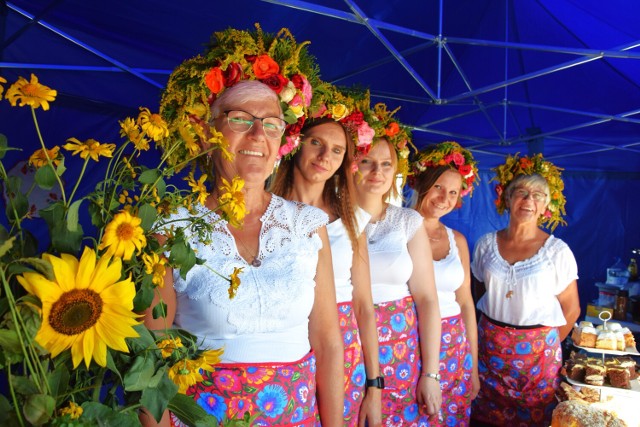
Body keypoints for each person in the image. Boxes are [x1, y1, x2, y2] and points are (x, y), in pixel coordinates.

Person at [142, 27, 343, 427]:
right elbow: (151, 359)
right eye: (240, 119)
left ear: (282, 141)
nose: (257, 134)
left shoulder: (306, 226)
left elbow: (328, 342)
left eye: (271, 124)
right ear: (206, 131)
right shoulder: (171, 227)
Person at [271, 109, 382, 426]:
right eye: (316, 142)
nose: (324, 156)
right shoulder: (266, 211)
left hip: (342, 346)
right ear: (295, 145)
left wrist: (374, 385)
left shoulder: (352, 220)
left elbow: (363, 304)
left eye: (337, 150)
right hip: (288, 338)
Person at [470, 153, 581, 427]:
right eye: (521, 192)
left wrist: (542, 347)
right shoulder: (486, 244)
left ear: (546, 205)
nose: (528, 200)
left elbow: (572, 308)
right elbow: (475, 293)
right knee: (485, 420)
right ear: (507, 199)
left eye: (538, 195)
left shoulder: (557, 252)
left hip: (537, 361)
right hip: (489, 354)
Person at [353, 103, 442, 424]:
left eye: (386, 164)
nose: (377, 172)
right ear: (351, 165)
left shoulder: (407, 221)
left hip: (402, 351)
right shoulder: (330, 221)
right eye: (367, 162)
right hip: (348, 344)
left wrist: (431, 373)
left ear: (395, 171)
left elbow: (428, 300)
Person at [409, 141, 480, 426]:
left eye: (453, 192)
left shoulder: (458, 240)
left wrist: (472, 365)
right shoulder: (397, 230)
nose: (444, 198)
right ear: (422, 182)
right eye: (438, 187)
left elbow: (465, 303)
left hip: (454, 348)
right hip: (411, 342)